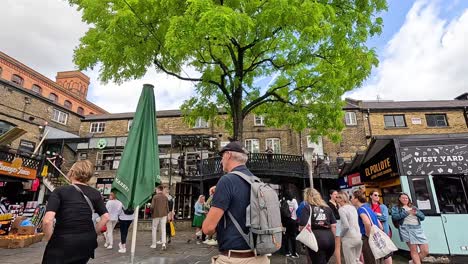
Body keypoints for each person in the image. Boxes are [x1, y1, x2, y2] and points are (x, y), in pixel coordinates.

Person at [202, 141, 269, 264]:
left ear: (227, 155)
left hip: (235, 259)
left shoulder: (226, 181)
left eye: (222, 158)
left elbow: (208, 228)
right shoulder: (257, 181)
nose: (221, 161)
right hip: (261, 258)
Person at [42, 160, 110, 264]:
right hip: (87, 242)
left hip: (62, 242)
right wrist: (93, 233)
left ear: (72, 172)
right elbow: (106, 217)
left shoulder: (60, 191)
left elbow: (47, 220)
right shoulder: (95, 193)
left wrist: (51, 240)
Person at [299, 188, 337, 264]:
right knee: (324, 261)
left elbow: (303, 226)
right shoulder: (327, 208)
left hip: (316, 239)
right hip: (330, 239)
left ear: (307, 197)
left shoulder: (307, 208)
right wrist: (333, 238)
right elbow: (334, 225)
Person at [391, 193, 428, 264]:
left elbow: (423, 217)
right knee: (414, 250)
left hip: (418, 228)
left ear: (409, 199)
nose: (405, 199)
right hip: (405, 228)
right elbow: (395, 217)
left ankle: (412, 262)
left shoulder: (413, 207)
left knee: (425, 251)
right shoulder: (396, 208)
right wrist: (407, 212)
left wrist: (416, 213)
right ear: (399, 199)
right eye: (403, 198)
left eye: (406, 198)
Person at [351, 190, 383, 264]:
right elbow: (380, 226)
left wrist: (368, 235)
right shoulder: (368, 208)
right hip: (376, 236)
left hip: (367, 238)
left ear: (357, 199)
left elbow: (367, 223)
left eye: (352, 197)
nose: (351, 199)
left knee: (369, 259)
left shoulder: (360, 209)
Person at [336, 191, 362, 264]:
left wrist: (341, 235)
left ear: (342, 199)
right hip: (358, 237)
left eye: (338, 197)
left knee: (350, 262)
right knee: (356, 261)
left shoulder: (341, 209)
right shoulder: (353, 208)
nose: (336, 198)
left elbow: (346, 226)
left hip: (349, 239)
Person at [369, 190, 392, 264]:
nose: (377, 197)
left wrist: (373, 215)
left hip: (383, 230)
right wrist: (378, 215)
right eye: (375, 195)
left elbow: (385, 218)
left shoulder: (383, 206)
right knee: (374, 251)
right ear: (371, 196)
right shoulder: (368, 206)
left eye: (378, 195)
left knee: (386, 251)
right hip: (372, 231)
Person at [150, 185, 169, 250]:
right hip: (164, 214)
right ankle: (163, 244)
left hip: (156, 214)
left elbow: (152, 207)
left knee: (154, 228)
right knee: (163, 229)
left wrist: (151, 212)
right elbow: (167, 207)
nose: (155, 191)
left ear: (158, 190)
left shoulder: (155, 197)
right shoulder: (165, 197)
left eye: (156, 190)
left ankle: (154, 244)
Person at [327, 189, 341, 264]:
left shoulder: (338, 204)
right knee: (337, 244)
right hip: (335, 224)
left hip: (340, 224)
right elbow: (333, 216)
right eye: (335, 194)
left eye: (337, 194)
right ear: (331, 195)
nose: (336, 196)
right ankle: (338, 262)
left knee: (340, 244)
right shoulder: (328, 204)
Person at [284, 193, 299, 258]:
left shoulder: (284, 201)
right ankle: (293, 253)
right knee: (293, 236)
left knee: (286, 236)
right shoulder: (294, 201)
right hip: (293, 220)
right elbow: (297, 209)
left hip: (286, 220)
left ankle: (287, 252)